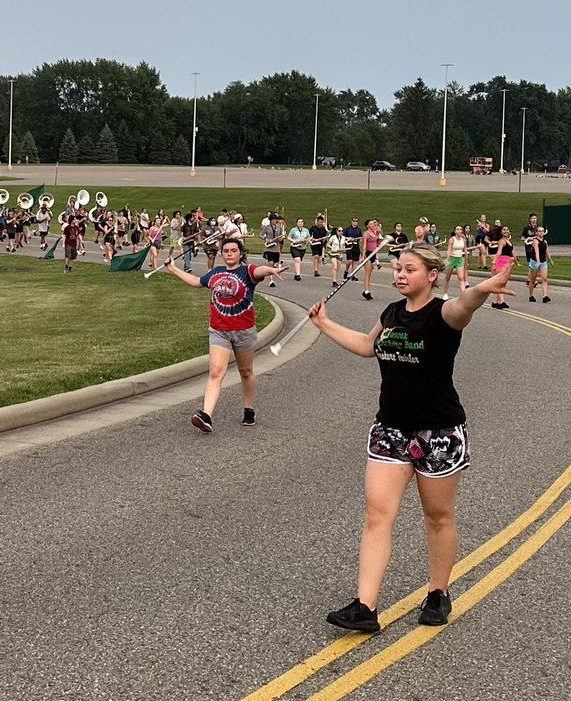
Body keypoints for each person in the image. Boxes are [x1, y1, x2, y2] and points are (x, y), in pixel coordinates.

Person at [308, 243, 511, 632]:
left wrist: (484, 289)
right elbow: (369, 347)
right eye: (398, 268)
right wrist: (324, 325)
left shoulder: (442, 316)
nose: (400, 275)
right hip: (390, 430)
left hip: (438, 433)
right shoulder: (391, 313)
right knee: (377, 517)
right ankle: (365, 607)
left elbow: (464, 304)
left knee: (437, 517)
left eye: (410, 269)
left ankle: (438, 593)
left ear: (432, 275)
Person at [165, 237, 284, 432]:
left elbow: (259, 271)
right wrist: (173, 269)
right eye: (226, 251)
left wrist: (270, 270)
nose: (229, 254)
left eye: (233, 250)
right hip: (219, 330)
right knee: (215, 372)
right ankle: (206, 416)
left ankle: (249, 409)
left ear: (240, 253)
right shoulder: (216, 273)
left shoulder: (247, 271)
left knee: (245, 371)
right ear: (222, 254)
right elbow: (196, 281)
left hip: (244, 331)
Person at [487, 224, 515, 309]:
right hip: (501, 262)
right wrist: (494, 262)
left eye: (507, 229)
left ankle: (496, 302)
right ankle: (501, 301)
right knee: (500, 283)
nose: (506, 231)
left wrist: (516, 261)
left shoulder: (509, 241)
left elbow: (511, 252)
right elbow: (499, 252)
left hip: (508, 262)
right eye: (504, 230)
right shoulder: (501, 241)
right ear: (501, 232)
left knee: (503, 283)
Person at [527, 227, 553, 303]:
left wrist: (550, 260)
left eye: (542, 231)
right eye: (539, 231)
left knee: (544, 278)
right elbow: (536, 251)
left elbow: (546, 251)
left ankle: (545, 296)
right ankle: (531, 295)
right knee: (532, 279)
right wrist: (537, 261)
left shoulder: (545, 241)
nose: (541, 232)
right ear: (536, 233)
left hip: (543, 262)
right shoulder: (535, 241)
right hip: (535, 261)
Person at [442, 226, 467, 300]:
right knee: (447, 277)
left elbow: (465, 251)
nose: (459, 231)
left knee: (461, 278)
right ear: (455, 231)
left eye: (460, 229)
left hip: (459, 259)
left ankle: (464, 295)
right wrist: (447, 259)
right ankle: (445, 293)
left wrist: (466, 261)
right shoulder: (452, 239)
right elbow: (449, 249)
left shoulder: (463, 240)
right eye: (457, 229)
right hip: (452, 259)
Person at [360, 218, 383, 301]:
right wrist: (363, 256)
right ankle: (366, 291)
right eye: (371, 224)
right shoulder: (366, 234)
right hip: (368, 254)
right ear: (367, 226)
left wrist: (379, 231)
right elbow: (364, 245)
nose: (373, 225)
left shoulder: (375, 232)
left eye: (373, 224)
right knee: (367, 273)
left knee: (370, 274)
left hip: (373, 253)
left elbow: (378, 242)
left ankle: (367, 290)